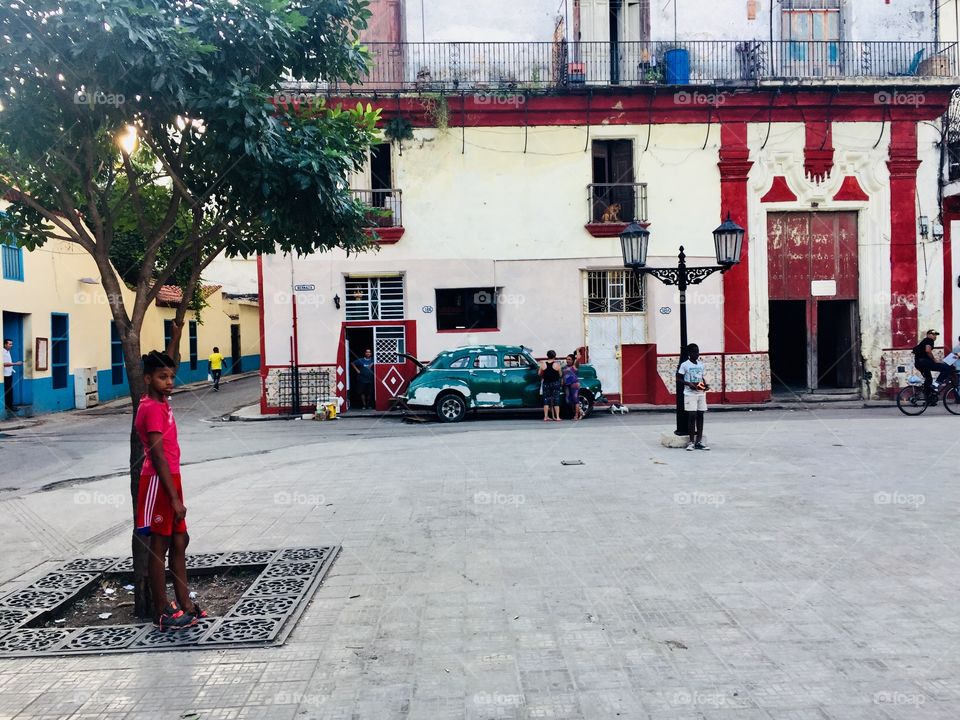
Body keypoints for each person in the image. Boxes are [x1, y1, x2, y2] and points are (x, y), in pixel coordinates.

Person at [134, 351, 206, 630]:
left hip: (172, 478)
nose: (169, 382)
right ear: (148, 378)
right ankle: (162, 610)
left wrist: (175, 333)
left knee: (180, 541)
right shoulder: (150, 408)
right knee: (159, 547)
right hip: (158, 481)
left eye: (172, 377)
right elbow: (157, 454)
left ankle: (185, 603)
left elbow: (168, 357)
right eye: (162, 377)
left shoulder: (161, 402)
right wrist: (174, 499)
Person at [678, 343, 710, 451]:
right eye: (694, 352)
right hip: (689, 394)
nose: (697, 354)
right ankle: (691, 442)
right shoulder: (685, 365)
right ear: (689, 353)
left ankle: (699, 441)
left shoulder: (701, 364)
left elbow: (703, 377)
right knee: (692, 416)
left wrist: (706, 386)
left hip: (700, 393)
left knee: (700, 415)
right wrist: (689, 384)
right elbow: (679, 379)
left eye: (698, 351)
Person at [913, 329, 955, 404]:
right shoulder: (929, 340)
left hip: (918, 363)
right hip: (924, 362)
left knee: (929, 379)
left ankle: (928, 398)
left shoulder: (924, 341)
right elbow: (928, 350)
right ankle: (936, 385)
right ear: (928, 334)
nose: (935, 336)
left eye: (936, 335)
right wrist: (934, 360)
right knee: (946, 368)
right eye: (933, 334)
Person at [539, 350, 563, 422]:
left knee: (546, 400)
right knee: (556, 399)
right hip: (555, 383)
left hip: (546, 383)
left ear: (547, 356)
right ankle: (557, 417)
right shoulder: (557, 365)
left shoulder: (543, 364)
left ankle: (546, 417)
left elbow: (539, 373)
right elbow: (560, 374)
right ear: (554, 356)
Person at [3, 339, 23, 419]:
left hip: (9, 373)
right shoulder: (3, 352)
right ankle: (8, 406)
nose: (11, 345)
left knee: (9, 390)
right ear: (5, 344)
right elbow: (4, 364)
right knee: (8, 391)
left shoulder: (7, 352)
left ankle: (9, 406)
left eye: (12, 344)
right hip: (5, 375)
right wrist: (16, 363)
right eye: (10, 344)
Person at [563, 351, 582, 421]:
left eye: (569, 359)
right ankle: (581, 412)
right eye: (567, 359)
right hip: (567, 385)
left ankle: (576, 415)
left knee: (575, 400)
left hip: (574, 384)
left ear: (573, 360)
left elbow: (578, 359)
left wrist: (577, 351)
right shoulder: (564, 367)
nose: (567, 360)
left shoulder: (575, 366)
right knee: (568, 400)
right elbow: (563, 376)